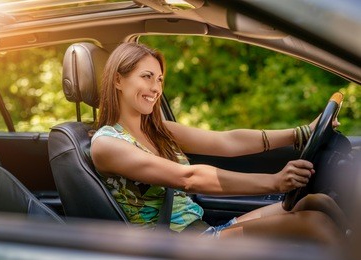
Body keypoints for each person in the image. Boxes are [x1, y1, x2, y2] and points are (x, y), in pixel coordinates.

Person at [90, 42, 348, 245]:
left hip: (204, 232)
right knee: (313, 224)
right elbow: (188, 177)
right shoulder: (107, 143)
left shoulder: (158, 129)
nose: (155, 87)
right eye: (146, 76)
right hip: (173, 245)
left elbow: (227, 141)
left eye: (159, 79)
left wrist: (300, 133)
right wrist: (275, 182)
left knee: (316, 202)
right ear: (118, 80)